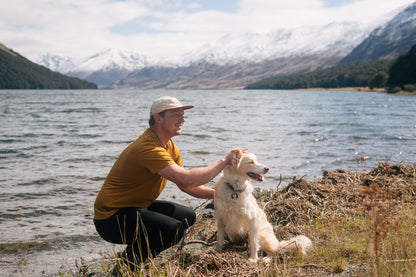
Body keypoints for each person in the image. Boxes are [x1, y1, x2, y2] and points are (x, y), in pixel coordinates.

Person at [93, 96, 231, 266]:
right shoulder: (148, 147)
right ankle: (128, 266)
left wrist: (220, 195)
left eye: (183, 115)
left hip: (134, 207)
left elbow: (185, 186)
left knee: (187, 217)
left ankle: (134, 255)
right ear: (158, 118)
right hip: (110, 219)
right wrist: (224, 162)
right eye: (176, 115)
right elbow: (186, 180)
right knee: (172, 231)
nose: (182, 120)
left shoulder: (168, 145)